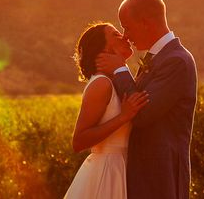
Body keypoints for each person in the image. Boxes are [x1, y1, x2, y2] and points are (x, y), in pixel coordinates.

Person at [96, 0, 198, 199]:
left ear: (145, 23)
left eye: (126, 26)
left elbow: (142, 114)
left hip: (161, 179)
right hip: (145, 178)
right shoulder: (158, 58)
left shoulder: (176, 61)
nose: (125, 35)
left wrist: (120, 70)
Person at [64, 22, 150, 199]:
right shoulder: (101, 84)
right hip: (106, 172)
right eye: (116, 35)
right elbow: (78, 141)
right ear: (102, 49)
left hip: (123, 168)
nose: (125, 37)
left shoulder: (117, 81)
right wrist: (123, 117)